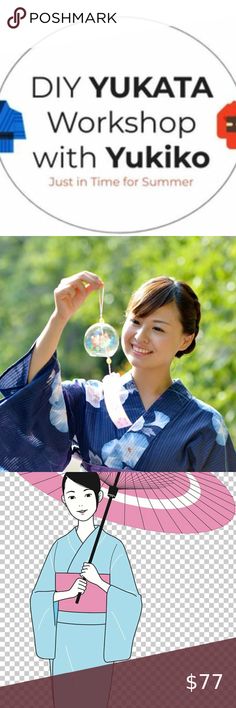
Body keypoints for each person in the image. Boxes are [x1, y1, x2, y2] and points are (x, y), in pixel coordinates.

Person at [0, 272, 235, 471]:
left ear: (186, 339)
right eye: (135, 321)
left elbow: (221, 511)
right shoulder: (88, 399)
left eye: (157, 328)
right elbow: (31, 393)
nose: (140, 336)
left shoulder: (203, 424)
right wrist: (59, 317)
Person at [31, 471, 142, 676]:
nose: (80, 503)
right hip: (63, 633)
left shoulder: (113, 547)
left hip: (99, 635)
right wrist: (67, 593)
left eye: (87, 495)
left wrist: (99, 582)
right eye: (72, 496)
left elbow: (132, 601)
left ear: (99, 497)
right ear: (64, 499)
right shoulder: (59, 547)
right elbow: (38, 597)